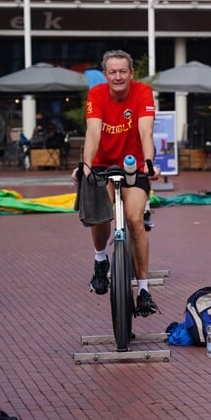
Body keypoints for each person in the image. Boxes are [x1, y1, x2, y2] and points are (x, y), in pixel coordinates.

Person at [78, 50, 160, 315]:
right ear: (105, 75)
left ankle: (144, 289)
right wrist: (86, 166)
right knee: (102, 215)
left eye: (122, 71)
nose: (118, 76)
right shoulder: (97, 95)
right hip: (102, 164)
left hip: (134, 165)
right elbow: (93, 133)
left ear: (131, 73)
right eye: (112, 72)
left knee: (135, 220)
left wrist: (148, 162)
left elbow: (145, 131)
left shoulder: (143, 92)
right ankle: (100, 259)